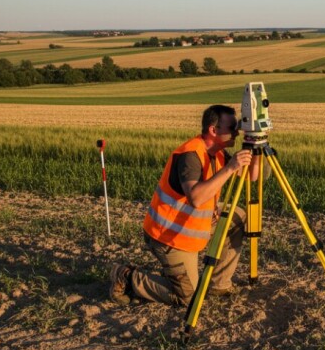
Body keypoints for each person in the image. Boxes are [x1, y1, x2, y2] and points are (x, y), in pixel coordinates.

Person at [109, 104, 260, 306]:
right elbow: (196, 199)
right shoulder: (190, 155)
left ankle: (218, 285)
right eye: (232, 128)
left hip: (192, 228)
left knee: (238, 217)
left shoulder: (218, 153)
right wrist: (230, 168)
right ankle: (127, 277)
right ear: (213, 130)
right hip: (170, 235)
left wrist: (256, 146)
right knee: (189, 299)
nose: (237, 132)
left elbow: (252, 176)